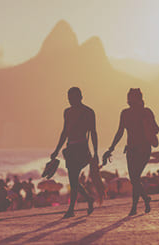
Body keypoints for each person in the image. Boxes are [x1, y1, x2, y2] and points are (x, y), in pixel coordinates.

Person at [103, 88, 159, 216]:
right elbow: (120, 131)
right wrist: (111, 148)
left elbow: (156, 129)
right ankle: (145, 198)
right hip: (131, 150)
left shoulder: (146, 112)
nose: (130, 100)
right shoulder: (125, 113)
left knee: (135, 178)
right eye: (129, 97)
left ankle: (134, 208)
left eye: (132, 97)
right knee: (134, 179)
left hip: (144, 149)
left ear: (138, 98)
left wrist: (147, 124)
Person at [50, 87, 98, 218]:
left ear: (80, 97)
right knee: (73, 180)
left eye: (73, 97)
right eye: (69, 98)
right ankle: (88, 199)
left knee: (73, 178)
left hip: (82, 148)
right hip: (70, 149)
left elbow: (93, 132)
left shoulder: (88, 112)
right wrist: (56, 150)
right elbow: (64, 132)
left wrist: (96, 152)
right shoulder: (67, 112)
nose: (71, 100)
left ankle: (71, 209)